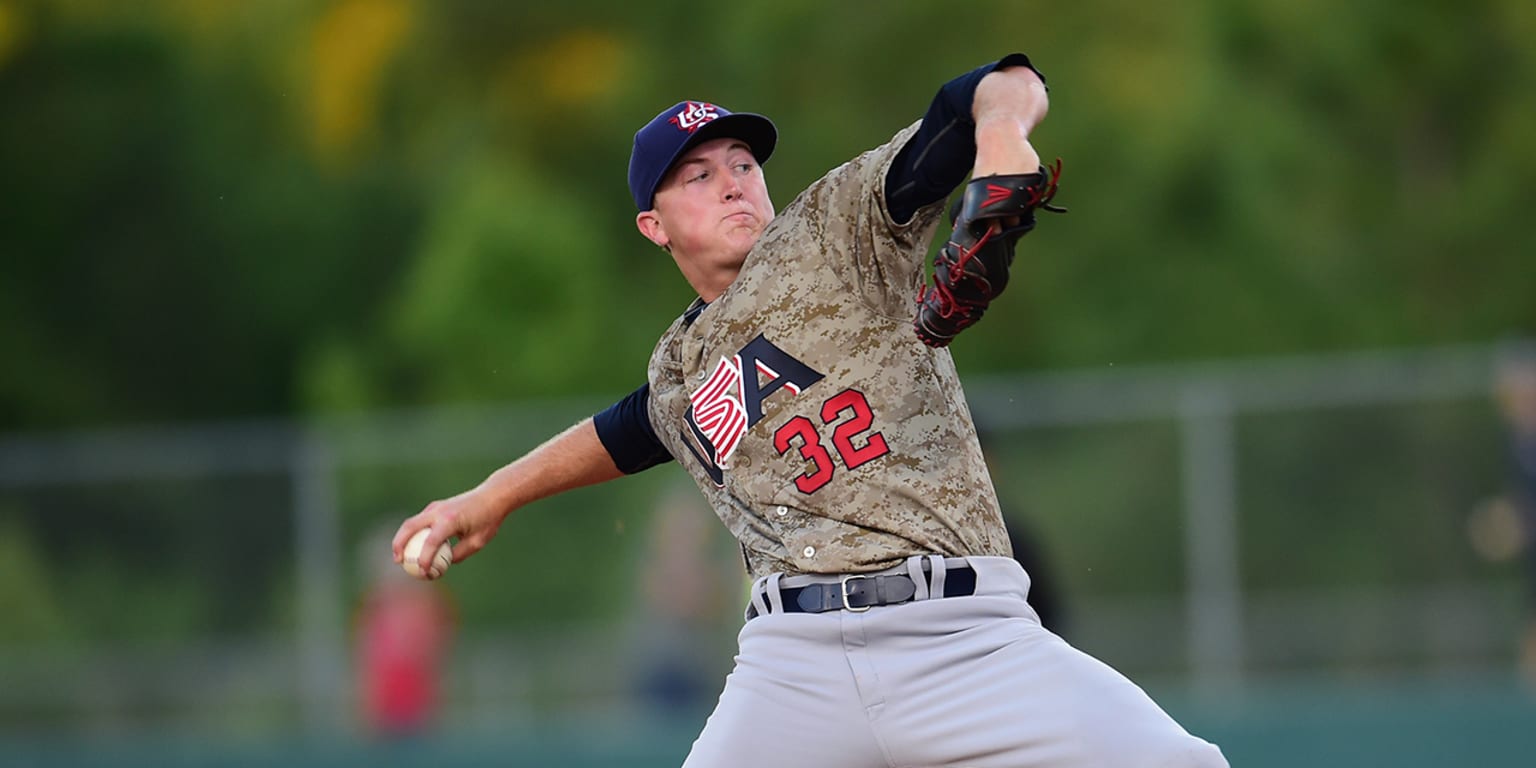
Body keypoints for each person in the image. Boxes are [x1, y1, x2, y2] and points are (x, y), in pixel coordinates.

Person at [395, 53, 1228, 766]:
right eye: (699, 175)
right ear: (655, 227)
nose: (733, 183)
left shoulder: (837, 231)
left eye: (743, 165)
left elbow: (991, 86)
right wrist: (491, 495)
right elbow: (625, 432)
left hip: (960, 635)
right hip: (793, 666)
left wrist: (1002, 134)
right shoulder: (679, 369)